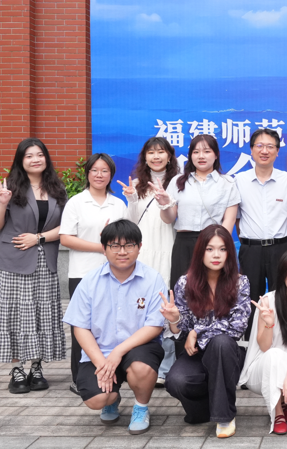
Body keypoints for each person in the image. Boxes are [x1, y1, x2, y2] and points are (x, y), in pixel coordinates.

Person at [62, 220, 166, 435]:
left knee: (141, 368)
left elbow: (155, 325)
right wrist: (102, 364)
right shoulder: (89, 281)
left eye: (129, 245)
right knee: (97, 399)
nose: (122, 252)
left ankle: (141, 408)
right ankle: (112, 398)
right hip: (100, 351)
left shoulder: (153, 279)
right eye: (115, 246)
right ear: (104, 248)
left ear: (139, 247)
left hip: (139, 348)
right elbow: (80, 327)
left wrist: (118, 352)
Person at [0, 138, 68, 394]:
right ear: (20, 160)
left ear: (46, 158)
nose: (35, 159)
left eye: (39, 154)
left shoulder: (57, 188)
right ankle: (17, 369)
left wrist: (38, 238)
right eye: (29, 155)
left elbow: (66, 226)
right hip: (13, 261)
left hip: (45, 260)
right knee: (15, 315)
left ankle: (36, 367)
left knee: (43, 313)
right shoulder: (10, 187)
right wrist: (2, 203)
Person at [164, 224, 251, 439]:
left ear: (229, 253)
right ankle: (208, 408)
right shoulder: (185, 283)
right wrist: (175, 319)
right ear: (200, 251)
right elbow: (182, 329)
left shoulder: (240, 283)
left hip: (227, 354)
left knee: (221, 342)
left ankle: (224, 416)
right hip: (197, 354)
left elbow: (238, 326)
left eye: (222, 249)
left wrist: (197, 331)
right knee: (176, 380)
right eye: (210, 249)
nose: (216, 255)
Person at [60, 153, 128, 393]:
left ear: (111, 175)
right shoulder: (76, 202)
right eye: (95, 170)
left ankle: (109, 374)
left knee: (109, 325)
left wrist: (112, 245)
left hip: (114, 273)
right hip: (83, 273)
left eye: (105, 171)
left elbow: (125, 238)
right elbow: (66, 238)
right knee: (82, 326)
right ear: (87, 173)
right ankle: (79, 378)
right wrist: (101, 247)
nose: (99, 175)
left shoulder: (118, 204)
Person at [118, 136, 180, 387]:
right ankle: (142, 362)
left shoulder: (179, 182)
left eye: (161, 152)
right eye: (151, 152)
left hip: (169, 246)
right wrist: (132, 199)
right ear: (144, 157)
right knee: (142, 304)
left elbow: (175, 218)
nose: (156, 156)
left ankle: (167, 366)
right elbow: (132, 222)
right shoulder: (136, 185)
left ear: (169, 156)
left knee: (167, 302)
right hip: (145, 251)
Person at [238, 249, 287, 434]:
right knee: (274, 354)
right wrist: (269, 323)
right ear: (282, 275)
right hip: (261, 370)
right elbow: (265, 347)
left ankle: (280, 398)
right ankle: (278, 412)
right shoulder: (268, 301)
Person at [151, 134, 240, 289]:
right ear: (190, 155)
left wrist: (218, 246)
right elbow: (169, 219)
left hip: (213, 244)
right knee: (182, 291)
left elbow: (229, 220)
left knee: (213, 290)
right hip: (184, 244)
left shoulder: (228, 183)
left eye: (207, 151)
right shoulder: (178, 181)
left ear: (216, 155)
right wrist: (164, 205)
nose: (201, 156)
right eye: (196, 152)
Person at [235, 128, 287, 339]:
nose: (264, 151)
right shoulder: (239, 180)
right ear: (251, 150)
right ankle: (251, 347)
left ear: (277, 151)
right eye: (259, 146)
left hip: (280, 248)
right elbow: (237, 218)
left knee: (284, 298)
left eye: (270, 146)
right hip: (251, 249)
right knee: (250, 300)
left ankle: (284, 343)